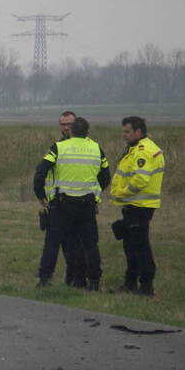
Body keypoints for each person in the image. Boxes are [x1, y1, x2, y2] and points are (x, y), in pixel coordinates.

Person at [33, 116, 110, 290]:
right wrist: (94, 193)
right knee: (90, 244)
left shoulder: (59, 147)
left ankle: (45, 280)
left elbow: (40, 172)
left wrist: (41, 195)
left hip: (62, 204)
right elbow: (106, 177)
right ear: (88, 132)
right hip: (87, 205)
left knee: (52, 243)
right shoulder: (97, 148)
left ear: (71, 131)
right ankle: (94, 282)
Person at [109, 116, 164, 297]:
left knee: (140, 247)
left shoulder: (143, 151)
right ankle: (130, 283)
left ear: (138, 132)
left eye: (127, 131)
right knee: (130, 245)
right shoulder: (136, 148)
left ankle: (146, 287)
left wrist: (123, 192)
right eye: (123, 131)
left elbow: (140, 179)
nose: (124, 135)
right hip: (134, 205)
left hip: (140, 205)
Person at [43, 111, 87, 287]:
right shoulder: (57, 147)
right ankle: (47, 279)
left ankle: (75, 280)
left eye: (70, 124)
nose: (67, 127)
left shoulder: (88, 147)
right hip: (59, 204)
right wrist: (45, 197)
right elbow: (43, 172)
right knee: (56, 244)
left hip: (82, 204)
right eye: (63, 124)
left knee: (77, 245)